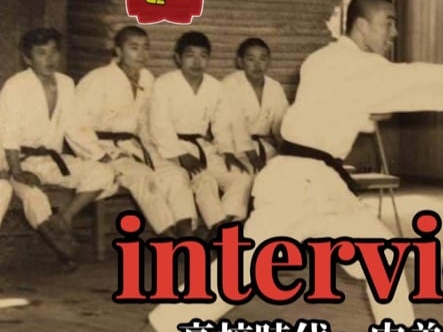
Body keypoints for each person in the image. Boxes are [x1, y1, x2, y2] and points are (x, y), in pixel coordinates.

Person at [124, 0, 443, 332]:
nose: (393, 33)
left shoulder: (331, 61)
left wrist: (370, 112)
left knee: (383, 255)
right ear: (362, 24)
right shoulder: (349, 64)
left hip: (322, 182)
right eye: (388, 23)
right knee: (243, 269)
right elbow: (408, 79)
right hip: (297, 183)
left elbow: (350, 102)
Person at [0, 27, 117, 270]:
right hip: (17, 160)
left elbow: (74, 128)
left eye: (54, 52)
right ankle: (61, 247)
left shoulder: (66, 83)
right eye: (41, 53)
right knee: (34, 196)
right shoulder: (16, 85)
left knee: (104, 173)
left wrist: (99, 156)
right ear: (27, 58)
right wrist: (17, 171)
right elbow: (7, 131)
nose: (49, 59)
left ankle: (63, 218)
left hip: (52, 160)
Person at [66, 25, 197, 239]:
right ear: (118, 51)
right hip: (105, 149)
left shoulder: (147, 78)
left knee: (176, 174)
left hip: (136, 148)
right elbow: (74, 124)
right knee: (143, 177)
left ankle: (186, 234)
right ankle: (168, 237)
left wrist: (159, 151)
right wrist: (99, 155)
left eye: (146, 47)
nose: (141, 54)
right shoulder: (98, 79)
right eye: (134, 48)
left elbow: (147, 122)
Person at [147, 31, 253, 239]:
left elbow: (221, 125)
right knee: (201, 179)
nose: (197, 62)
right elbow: (159, 125)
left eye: (203, 56)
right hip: (169, 148)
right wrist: (180, 155)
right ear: (178, 58)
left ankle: (219, 228)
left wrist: (227, 152)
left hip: (202, 147)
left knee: (242, 176)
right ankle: (211, 227)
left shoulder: (215, 87)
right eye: (190, 55)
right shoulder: (164, 83)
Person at [216, 37, 289, 178]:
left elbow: (282, 126)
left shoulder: (275, 87)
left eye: (263, 59)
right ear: (240, 62)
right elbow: (234, 125)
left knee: (284, 175)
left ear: (269, 61)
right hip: (233, 148)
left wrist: (285, 153)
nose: (257, 65)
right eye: (251, 59)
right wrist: (253, 157)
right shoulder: (230, 84)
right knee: (246, 177)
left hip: (266, 148)